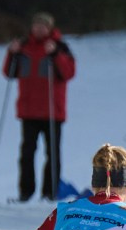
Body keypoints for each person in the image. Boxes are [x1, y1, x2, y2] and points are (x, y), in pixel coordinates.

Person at [4, 12, 75, 201]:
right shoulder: (23, 46)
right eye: (37, 25)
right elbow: (9, 72)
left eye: (43, 26)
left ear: (50, 28)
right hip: (28, 111)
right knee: (26, 154)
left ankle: (49, 193)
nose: (39, 29)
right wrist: (11, 53)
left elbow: (68, 73)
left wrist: (55, 55)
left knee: (52, 154)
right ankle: (25, 192)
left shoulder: (60, 47)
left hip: (52, 112)